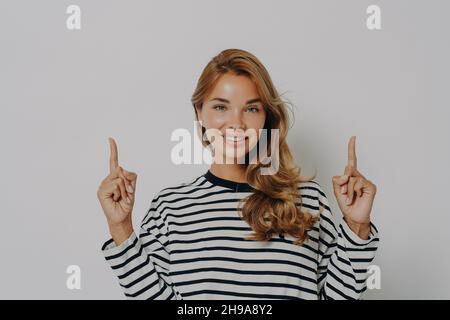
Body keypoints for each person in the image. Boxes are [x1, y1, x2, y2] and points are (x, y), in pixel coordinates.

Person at [96, 48, 379, 300]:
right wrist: (120, 228)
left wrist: (357, 226)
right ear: (200, 113)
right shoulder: (170, 207)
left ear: (266, 117)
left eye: (251, 109)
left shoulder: (308, 202)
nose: (236, 123)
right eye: (220, 107)